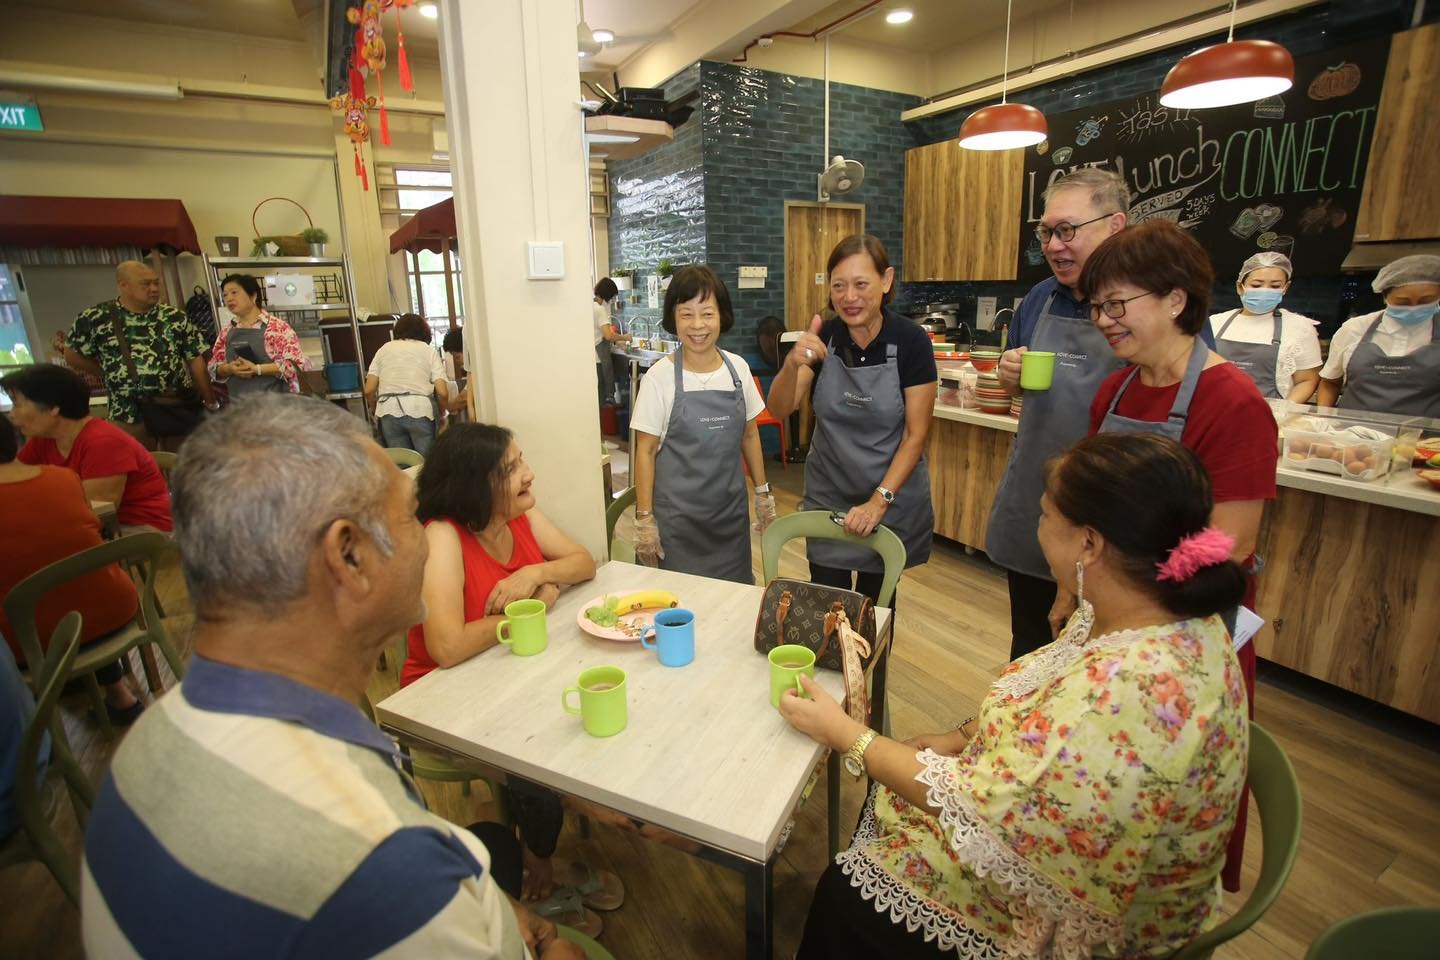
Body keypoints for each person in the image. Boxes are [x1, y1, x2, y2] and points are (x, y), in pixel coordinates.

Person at [81, 394, 582, 960]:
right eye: (409, 515)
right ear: (348, 556)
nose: (426, 534)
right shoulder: (383, 863)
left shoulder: (144, 747)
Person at [781, 432, 1249, 959]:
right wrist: (959, 736)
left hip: (1088, 920)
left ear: (1089, 544)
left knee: (843, 898)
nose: (1037, 525)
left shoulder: (1132, 687)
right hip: (1051, 831)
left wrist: (846, 733)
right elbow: (1041, 716)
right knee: (887, 797)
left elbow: (987, 811)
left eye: (1046, 516)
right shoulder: (1138, 609)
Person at [1081, 219, 1277, 894]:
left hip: (1193, 627)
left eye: (1116, 304)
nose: (1104, 321)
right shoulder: (1116, 392)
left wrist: (1135, 597)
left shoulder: (1234, 401)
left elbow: (1233, 538)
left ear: (1174, 299)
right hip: (1113, 610)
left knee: (1172, 797)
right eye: (1096, 307)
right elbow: (1092, 509)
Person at [404, 423, 613, 933]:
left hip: (507, 671)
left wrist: (535, 575)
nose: (529, 474)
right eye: (513, 468)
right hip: (439, 696)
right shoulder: (443, 536)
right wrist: (532, 608)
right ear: (477, 483)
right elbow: (447, 647)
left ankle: (537, 845)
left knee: (576, 715)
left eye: (522, 460)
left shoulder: (518, 514)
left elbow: (584, 561)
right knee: (539, 746)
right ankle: (537, 867)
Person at [985, 168, 1129, 661]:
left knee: (1098, 668)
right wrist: (1008, 374)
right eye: (1046, 232)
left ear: (1115, 226)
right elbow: (1015, 391)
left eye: (1067, 230)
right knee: (1027, 651)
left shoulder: (1147, 308)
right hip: (1037, 502)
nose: (1053, 244)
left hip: (1112, 520)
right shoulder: (1040, 299)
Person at [767, 235, 936, 601]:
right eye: (839, 285)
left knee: (876, 613)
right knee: (829, 609)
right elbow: (781, 408)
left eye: (861, 284)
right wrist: (791, 364)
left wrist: (878, 501)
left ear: (886, 281)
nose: (849, 296)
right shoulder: (825, 337)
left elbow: (915, 436)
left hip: (888, 499)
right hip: (829, 497)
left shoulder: (911, 342)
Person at [632, 265, 776, 583]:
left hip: (729, 519)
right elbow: (645, 451)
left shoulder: (737, 369)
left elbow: (750, 435)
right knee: (680, 607)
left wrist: (763, 495)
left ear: (722, 316)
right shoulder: (659, 378)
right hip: (678, 524)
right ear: (673, 318)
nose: (698, 325)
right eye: (686, 314)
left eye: (707, 314)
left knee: (732, 605)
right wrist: (644, 519)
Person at [0, 411, 143, 724]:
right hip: (110, 612)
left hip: (29, 642)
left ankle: (32, 731)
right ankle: (119, 692)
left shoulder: (96, 441)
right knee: (70, 580)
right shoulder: (63, 479)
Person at [62, 260, 218, 450]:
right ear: (123, 285)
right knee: (135, 468)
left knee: (183, 466)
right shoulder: (96, 318)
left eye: (156, 283)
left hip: (175, 407)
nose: (153, 289)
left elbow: (195, 360)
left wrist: (209, 400)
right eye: (145, 284)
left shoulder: (174, 317)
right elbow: (72, 355)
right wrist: (108, 373)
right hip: (127, 413)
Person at [3, 364, 171, 533]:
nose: (11, 414)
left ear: (53, 407)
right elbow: (13, 477)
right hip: (99, 528)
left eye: (17, 404)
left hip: (141, 530)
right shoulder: (45, 439)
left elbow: (92, 511)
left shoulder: (103, 442)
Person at [1317, 254, 1440, 416]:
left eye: (1426, 301)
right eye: (1402, 302)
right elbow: (1330, 383)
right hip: (1349, 436)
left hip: (1422, 439)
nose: (1414, 308)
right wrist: (1322, 420)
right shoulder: (1355, 329)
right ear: (1384, 297)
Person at [1209, 251, 1322, 402]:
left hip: (1270, 415)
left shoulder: (1300, 328)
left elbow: (1307, 380)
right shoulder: (1214, 323)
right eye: (1256, 285)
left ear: (1285, 288)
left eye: (1275, 286)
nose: (1265, 291)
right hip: (1214, 411)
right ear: (1240, 287)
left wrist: (1283, 412)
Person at [364, 313, 451, 456]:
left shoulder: (384, 349)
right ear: (424, 332)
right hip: (420, 410)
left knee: (404, 465)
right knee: (427, 465)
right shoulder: (428, 351)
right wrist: (441, 414)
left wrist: (376, 410)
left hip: (388, 410)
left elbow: (368, 390)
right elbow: (443, 392)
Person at [208, 273, 307, 399]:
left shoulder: (277, 328)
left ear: (253, 295)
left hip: (275, 406)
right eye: (225, 295)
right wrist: (229, 369)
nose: (229, 299)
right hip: (239, 408)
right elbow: (212, 368)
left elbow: (295, 365)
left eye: (234, 292)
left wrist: (257, 369)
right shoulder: (226, 332)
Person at [593, 278, 630, 406]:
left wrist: (617, 341)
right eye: (612, 296)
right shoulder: (599, 309)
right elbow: (608, 335)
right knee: (603, 399)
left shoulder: (590, 306)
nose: (612, 300)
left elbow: (600, 334)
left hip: (591, 360)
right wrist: (625, 337)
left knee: (596, 401)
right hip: (598, 360)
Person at [441, 326, 470, 420]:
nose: (458, 362)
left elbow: (464, 398)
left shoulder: (476, 369)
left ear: (466, 350)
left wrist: (446, 409)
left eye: (457, 357)